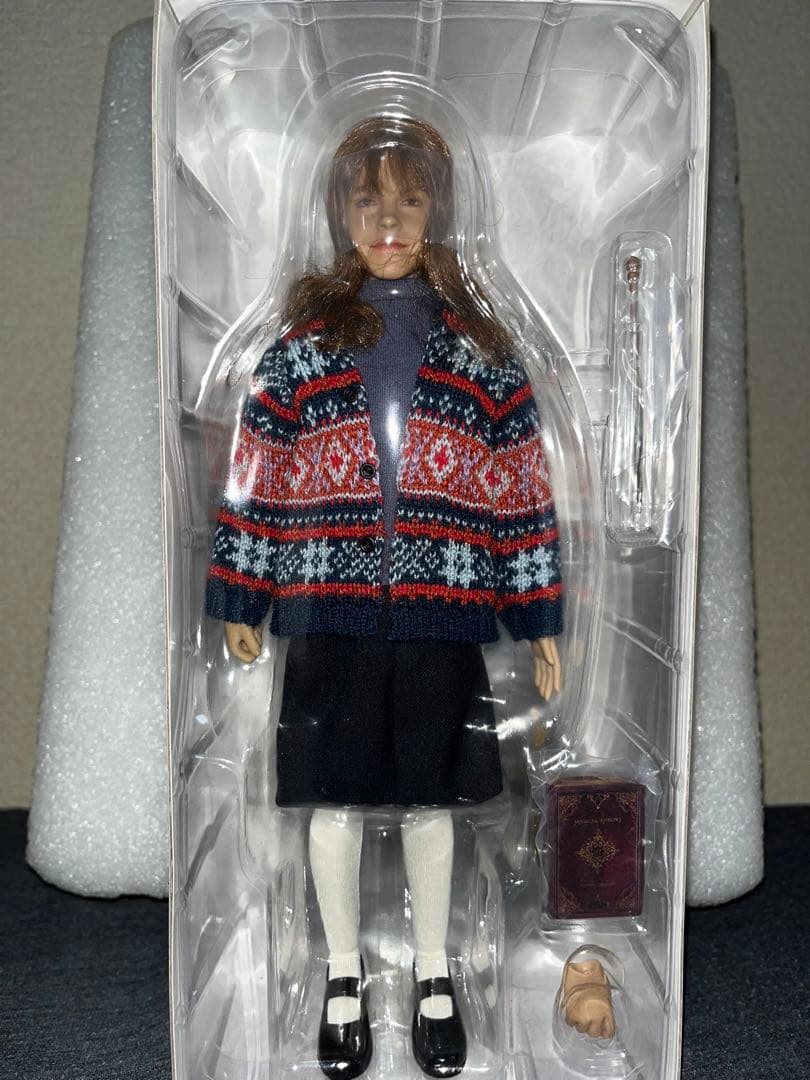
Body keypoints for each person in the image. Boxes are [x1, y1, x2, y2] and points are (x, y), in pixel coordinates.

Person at [205, 115, 563, 1079]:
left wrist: (537, 615)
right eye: (368, 202)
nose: (390, 221)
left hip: (443, 613)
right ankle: (342, 975)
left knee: (431, 802)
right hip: (329, 612)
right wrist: (242, 592)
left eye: (410, 200)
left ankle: (436, 973)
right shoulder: (301, 349)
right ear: (340, 214)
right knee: (334, 803)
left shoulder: (479, 352)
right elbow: (258, 476)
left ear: (440, 210)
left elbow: (519, 489)